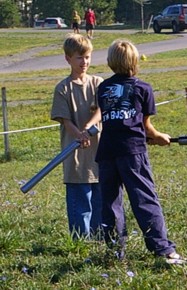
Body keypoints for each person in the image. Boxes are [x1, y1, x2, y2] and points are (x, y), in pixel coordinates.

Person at [89, 39, 186, 264]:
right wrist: (159, 137)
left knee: (110, 203)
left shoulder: (103, 87)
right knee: (144, 198)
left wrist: (147, 135)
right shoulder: (143, 88)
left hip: (107, 151)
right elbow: (146, 126)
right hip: (132, 151)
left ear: (111, 62)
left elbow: (114, 118)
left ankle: (115, 252)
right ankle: (162, 249)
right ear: (135, 61)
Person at [51, 33, 103, 240]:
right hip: (75, 155)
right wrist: (79, 135)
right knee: (81, 202)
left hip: (99, 151)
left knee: (100, 200)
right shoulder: (63, 88)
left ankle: (102, 239)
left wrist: (89, 126)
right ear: (68, 59)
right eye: (79, 58)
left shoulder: (98, 83)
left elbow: (102, 109)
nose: (84, 62)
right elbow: (65, 120)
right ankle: (81, 242)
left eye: (87, 57)